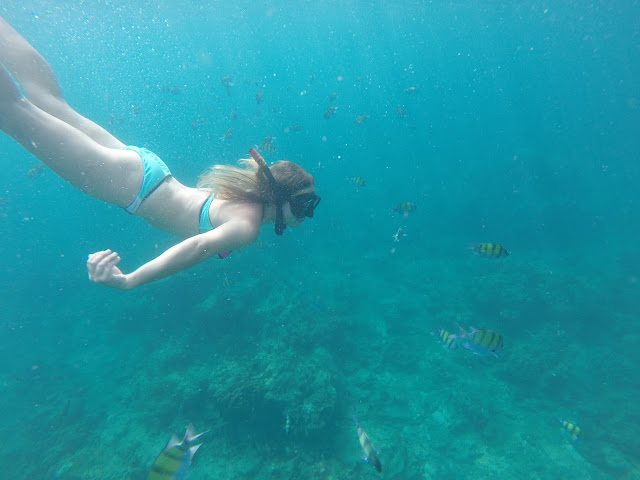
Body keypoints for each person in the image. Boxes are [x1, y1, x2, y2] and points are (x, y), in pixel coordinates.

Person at [0, 16, 320, 290]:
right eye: (305, 203)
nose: (308, 212)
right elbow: (198, 247)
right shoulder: (247, 226)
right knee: (15, 113)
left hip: (148, 170)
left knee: (49, 102)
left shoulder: (250, 198)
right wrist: (131, 280)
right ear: (279, 197)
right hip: (133, 187)